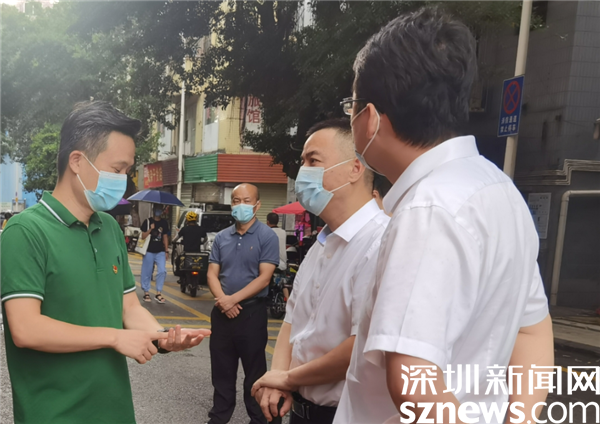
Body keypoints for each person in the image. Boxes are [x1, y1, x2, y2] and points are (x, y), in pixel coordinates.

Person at [335, 8, 553, 424]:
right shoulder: (501, 191)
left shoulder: (428, 209)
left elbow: (413, 378)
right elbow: (532, 329)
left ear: (370, 118)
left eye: (352, 105)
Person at [0, 101, 210, 424]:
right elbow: (26, 329)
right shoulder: (25, 232)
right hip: (54, 415)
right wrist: (114, 337)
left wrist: (162, 336)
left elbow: (129, 309)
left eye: (127, 171)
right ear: (77, 161)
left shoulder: (109, 228)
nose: (124, 180)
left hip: (115, 412)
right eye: (117, 169)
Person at [251, 118, 390, 424]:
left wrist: (287, 378)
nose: (303, 172)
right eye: (303, 162)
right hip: (301, 410)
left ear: (355, 168)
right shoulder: (321, 245)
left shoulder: (382, 243)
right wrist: (279, 376)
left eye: (313, 161)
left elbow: (362, 345)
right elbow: (291, 322)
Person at [207, 183, 280, 424]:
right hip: (222, 314)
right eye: (236, 200)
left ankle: (260, 419)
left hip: (251, 314)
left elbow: (264, 278)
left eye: (246, 201)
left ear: (257, 205)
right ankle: (218, 418)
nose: (241, 205)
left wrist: (232, 300)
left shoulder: (267, 236)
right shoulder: (221, 237)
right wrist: (223, 302)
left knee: (254, 374)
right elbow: (212, 274)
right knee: (221, 372)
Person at [140, 205, 170, 303]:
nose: (158, 211)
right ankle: (146, 293)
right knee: (147, 272)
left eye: (160, 210)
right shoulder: (147, 221)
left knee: (162, 271)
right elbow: (143, 236)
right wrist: (150, 229)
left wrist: (166, 250)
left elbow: (165, 236)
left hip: (160, 251)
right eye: (157, 209)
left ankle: (158, 293)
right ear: (153, 211)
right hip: (148, 251)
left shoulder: (164, 223)